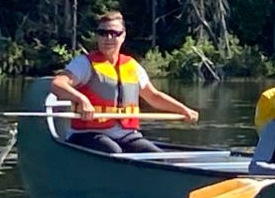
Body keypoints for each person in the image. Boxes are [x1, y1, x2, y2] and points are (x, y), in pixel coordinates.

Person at [49, 11, 199, 154]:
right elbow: (58, 84)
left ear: (123, 36)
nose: (108, 38)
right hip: (88, 133)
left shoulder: (132, 66)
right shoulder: (84, 64)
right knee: (114, 152)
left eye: (114, 34)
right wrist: (81, 100)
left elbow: (153, 96)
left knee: (157, 156)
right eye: (103, 33)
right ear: (97, 36)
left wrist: (183, 110)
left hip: (126, 135)